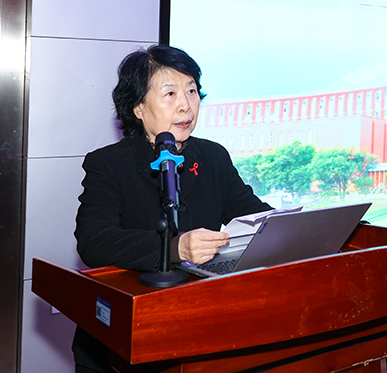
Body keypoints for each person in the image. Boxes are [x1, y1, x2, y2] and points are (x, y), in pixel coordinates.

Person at [72, 44, 271, 372]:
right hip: (121, 338)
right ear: (138, 107)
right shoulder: (109, 164)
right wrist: (175, 248)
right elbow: (95, 240)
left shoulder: (212, 156)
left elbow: (253, 215)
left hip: (197, 329)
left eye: (192, 91)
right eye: (170, 94)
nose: (186, 105)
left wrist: (297, 226)